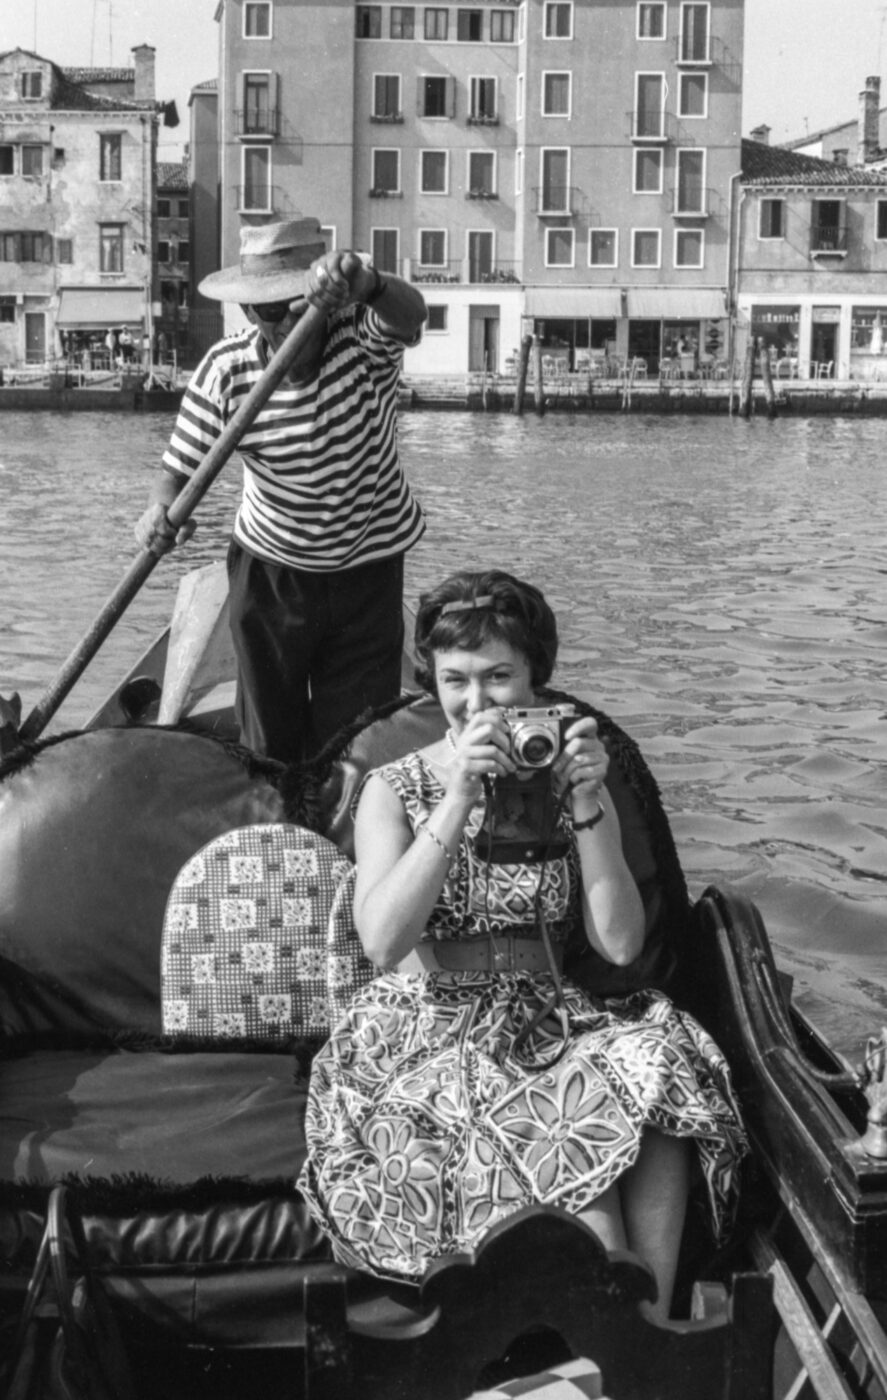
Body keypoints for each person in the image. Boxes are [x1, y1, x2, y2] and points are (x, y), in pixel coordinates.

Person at [298, 569, 748, 1321]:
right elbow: (381, 941)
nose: (477, 703)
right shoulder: (395, 787)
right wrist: (459, 797)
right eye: (455, 681)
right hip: (430, 1024)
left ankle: (654, 1329)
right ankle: (620, 1341)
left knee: (659, 1073)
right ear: (431, 681)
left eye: (499, 678)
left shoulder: (561, 772)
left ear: (538, 680)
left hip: (547, 1014)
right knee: (579, 1135)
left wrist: (589, 803)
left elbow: (619, 941)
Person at [134, 218, 427, 762]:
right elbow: (176, 471)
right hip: (273, 574)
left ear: (331, 302)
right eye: (271, 309)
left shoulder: (362, 341)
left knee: (360, 741)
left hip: (369, 565)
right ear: (251, 312)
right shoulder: (226, 369)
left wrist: (371, 286)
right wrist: (159, 511)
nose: (291, 319)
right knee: (270, 744)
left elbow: (410, 316)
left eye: (301, 302)